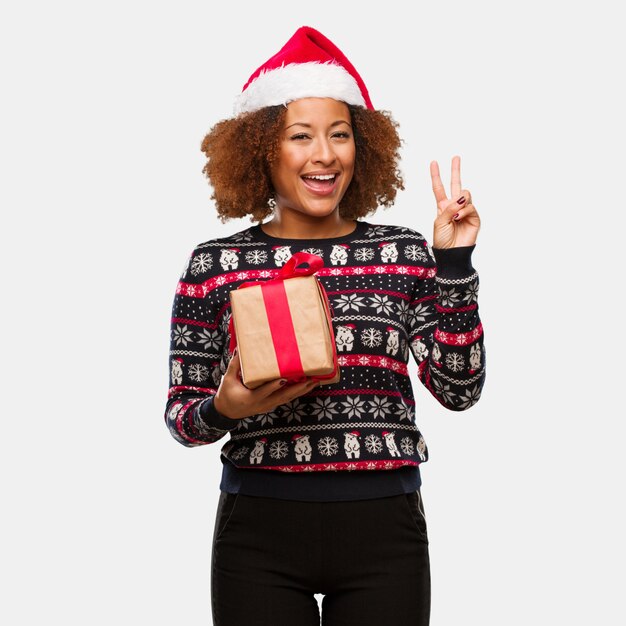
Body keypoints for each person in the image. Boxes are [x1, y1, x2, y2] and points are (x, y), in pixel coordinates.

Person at [164, 25, 485, 626]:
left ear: (363, 146)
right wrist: (226, 407)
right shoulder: (214, 265)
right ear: (262, 149)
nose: (324, 155)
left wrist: (454, 263)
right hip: (257, 531)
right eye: (300, 136)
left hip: (384, 528)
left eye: (340, 135)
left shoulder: (403, 252)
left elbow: (459, 390)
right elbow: (183, 419)